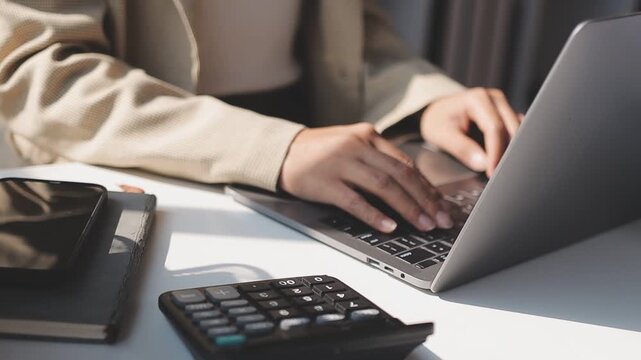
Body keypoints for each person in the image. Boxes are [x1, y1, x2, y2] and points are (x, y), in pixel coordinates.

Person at [0, 1, 521, 235]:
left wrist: (425, 100)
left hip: (322, 150)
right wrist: (276, 149)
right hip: (147, 172)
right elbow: (36, 70)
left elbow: (351, 30)